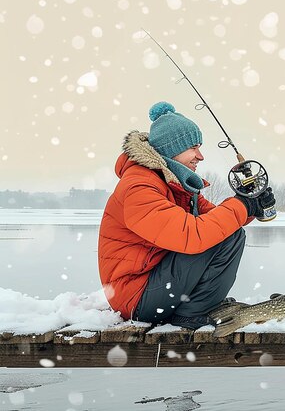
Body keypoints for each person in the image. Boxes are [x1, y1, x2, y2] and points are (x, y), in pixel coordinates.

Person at [98, 101, 275, 329]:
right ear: (172, 149)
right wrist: (241, 206)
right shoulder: (139, 187)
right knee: (226, 237)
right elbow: (191, 236)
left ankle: (195, 308)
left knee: (230, 234)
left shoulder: (174, 184)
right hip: (136, 298)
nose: (200, 156)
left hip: (153, 286)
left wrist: (252, 206)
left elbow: (215, 218)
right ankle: (192, 313)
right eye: (193, 147)